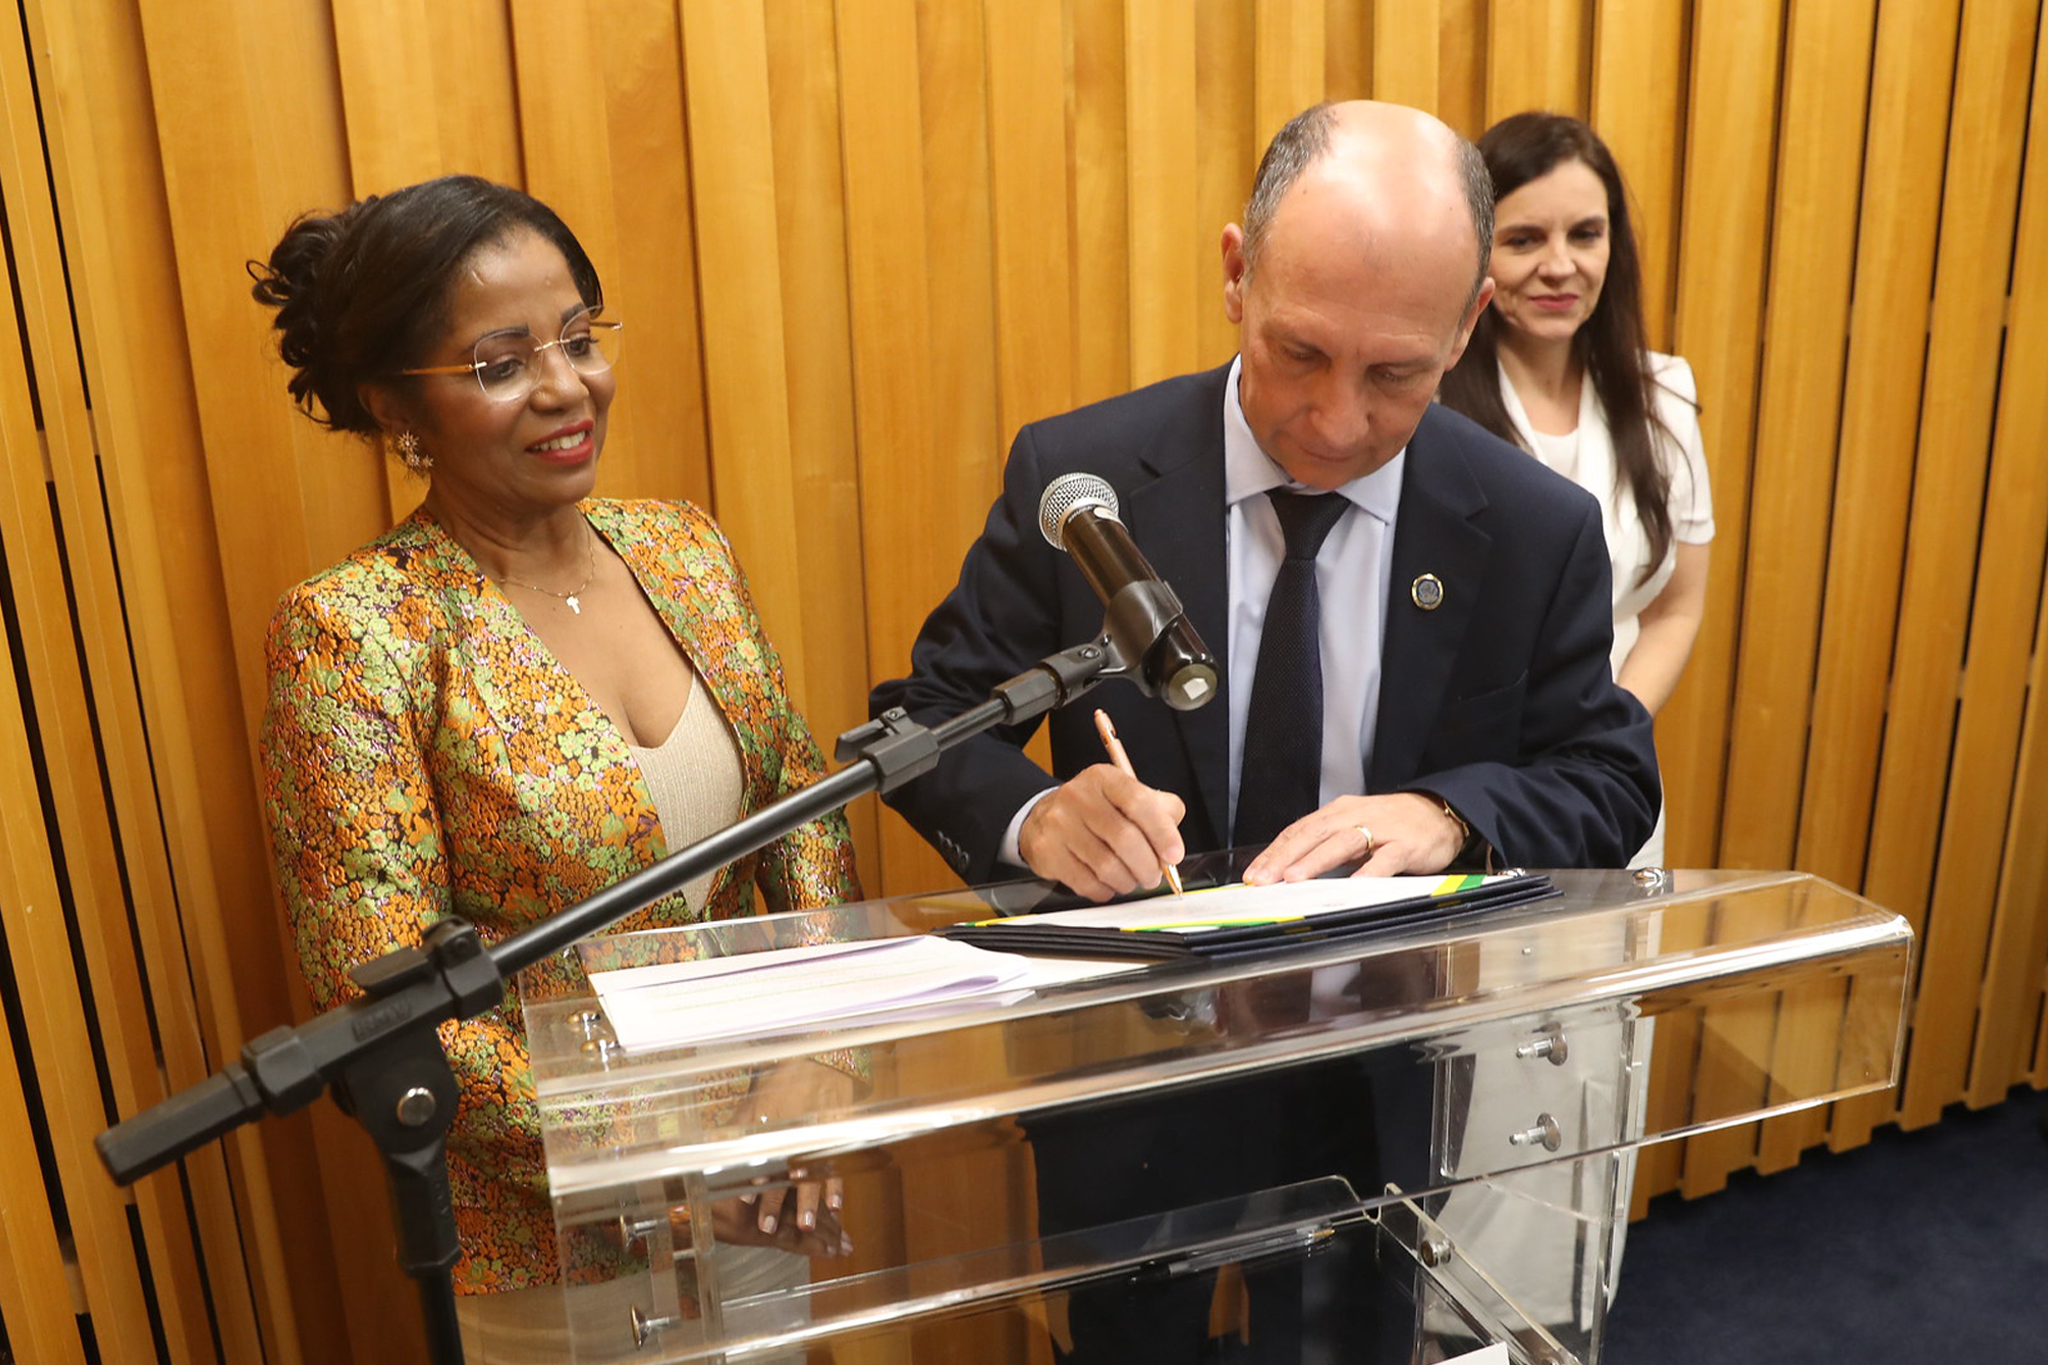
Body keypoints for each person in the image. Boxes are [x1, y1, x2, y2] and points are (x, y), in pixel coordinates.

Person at [869, 100, 1659, 1362]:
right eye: (1300, 352)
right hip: (1128, 1067)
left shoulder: (1525, 525)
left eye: (1396, 373)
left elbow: (1606, 777)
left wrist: (1446, 813)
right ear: (1237, 275)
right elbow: (921, 720)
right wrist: (1034, 814)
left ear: (1465, 326)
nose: (1335, 422)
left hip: (1378, 1065)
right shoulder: (1081, 481)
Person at [251, 175, 859, 1362]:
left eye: (580, 338)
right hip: (556, 1257)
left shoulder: (682, 546)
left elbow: (800, 811)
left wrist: (817, 1061)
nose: (565, 387)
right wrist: (657, 1151)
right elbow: (383, 1004)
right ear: (393, 404)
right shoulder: (355, 632)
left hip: (763, 1191)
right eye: (500, 363)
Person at [1438, 111, 1713, 868]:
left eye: (1585, 235)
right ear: (1475, 252)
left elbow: (1675, 606)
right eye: (1525, 240)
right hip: (1463, 793)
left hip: (1603, 786)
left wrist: (1607, 730)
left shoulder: (1666, 395)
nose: (1560, 266)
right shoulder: (1424, 409)